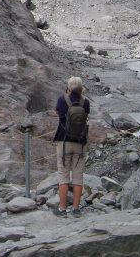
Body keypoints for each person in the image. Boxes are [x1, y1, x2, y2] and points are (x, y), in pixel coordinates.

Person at [52, 76, 89, 218]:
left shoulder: (62, 100)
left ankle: (62, 209)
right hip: (80, 142)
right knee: (78, 176)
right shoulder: (85, 102)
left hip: (63, 142)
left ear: (68, 87)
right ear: (81, 88)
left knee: (63, 175)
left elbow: (58, 112)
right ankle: (76, 209)